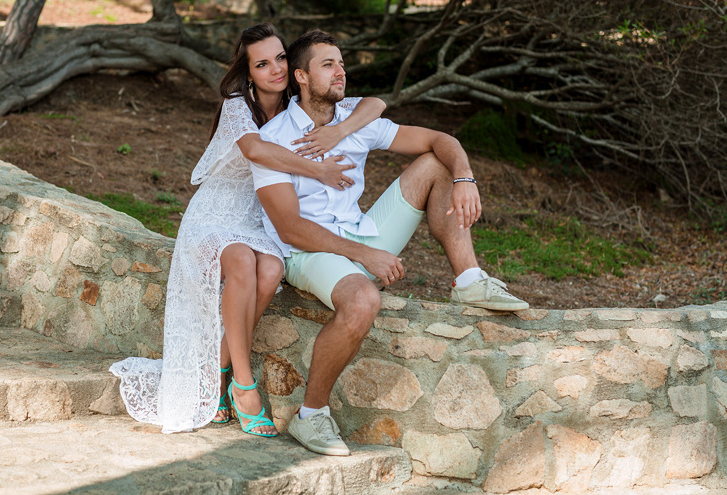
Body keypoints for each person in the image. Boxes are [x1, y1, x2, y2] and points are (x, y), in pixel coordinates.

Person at [251, 29, 530, 456]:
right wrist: (367, 255)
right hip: (307, 252)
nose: (341, 71)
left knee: (435, 164)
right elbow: (289, 228)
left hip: (359, 232)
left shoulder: (352, 121)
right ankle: (312, 416)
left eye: (342, 63)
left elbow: (441, 140)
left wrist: (463, 177)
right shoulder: (274, 138)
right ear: (302, 76)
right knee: (363, 300)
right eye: (329, 64)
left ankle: (470, 279)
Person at [109, 23, 385, 437]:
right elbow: (256, 150)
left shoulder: (299, 101)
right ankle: (242, 385)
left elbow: (375, 104)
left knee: (271, 271)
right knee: (240, 261)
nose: (274, 68)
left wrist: (338, 131)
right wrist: (318, 169)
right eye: (262, 63)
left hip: (260, 218)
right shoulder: (238, 103)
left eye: (279, 58)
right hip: (216, 215)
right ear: (249, 71)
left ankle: (218, 374)